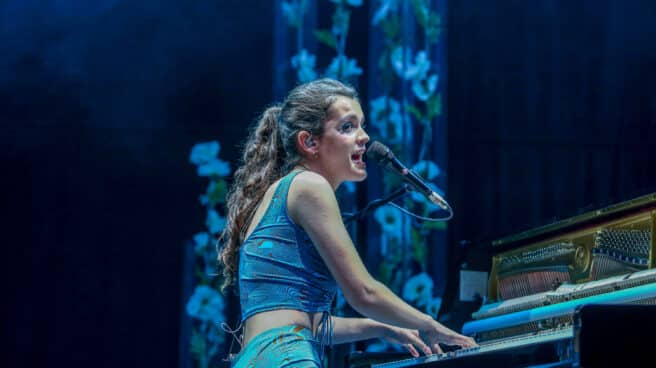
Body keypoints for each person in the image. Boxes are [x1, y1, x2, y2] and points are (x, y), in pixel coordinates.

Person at [218, 78, 476, 367]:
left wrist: (382, 327)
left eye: (362, 125)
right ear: (309, 142)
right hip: (287, 358)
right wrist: (430, 324)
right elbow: (363, 292)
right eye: (347, 127)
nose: (364, 137)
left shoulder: (280, 192)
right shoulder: (309, 186)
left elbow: (307, 324)